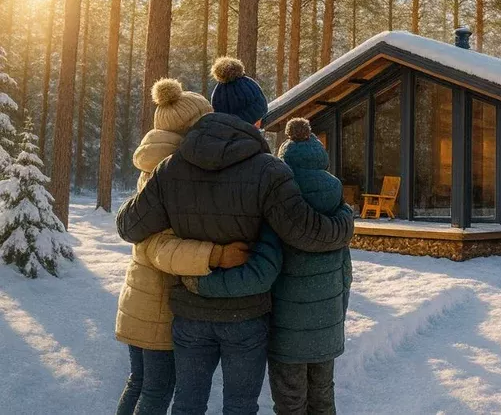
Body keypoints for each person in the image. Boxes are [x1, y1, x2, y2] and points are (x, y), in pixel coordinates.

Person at [116, 58, 355, 415]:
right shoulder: (269, 170)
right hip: (245, 315)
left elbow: (129, 227)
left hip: (191, 310)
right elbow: (306, 233)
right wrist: (345, 221)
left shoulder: (173, 166)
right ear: (258, 119)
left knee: (187, 403)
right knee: (240, 406)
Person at [183, 117, 352, 415]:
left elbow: (261, 271)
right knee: (324, 400)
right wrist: (334, 317)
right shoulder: (337, 202)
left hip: (287, 333)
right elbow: (346, 276)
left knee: (290, 403)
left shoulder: (279, 200)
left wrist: (202, 282)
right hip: (328, 329)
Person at [115, 79, 251, 415]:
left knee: (139, 383)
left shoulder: (157, 164)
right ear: (192, 127)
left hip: (141, 298)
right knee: (156, 391)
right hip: (158, 305)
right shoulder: (171, 172)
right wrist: (215, 254)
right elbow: (158, 247)